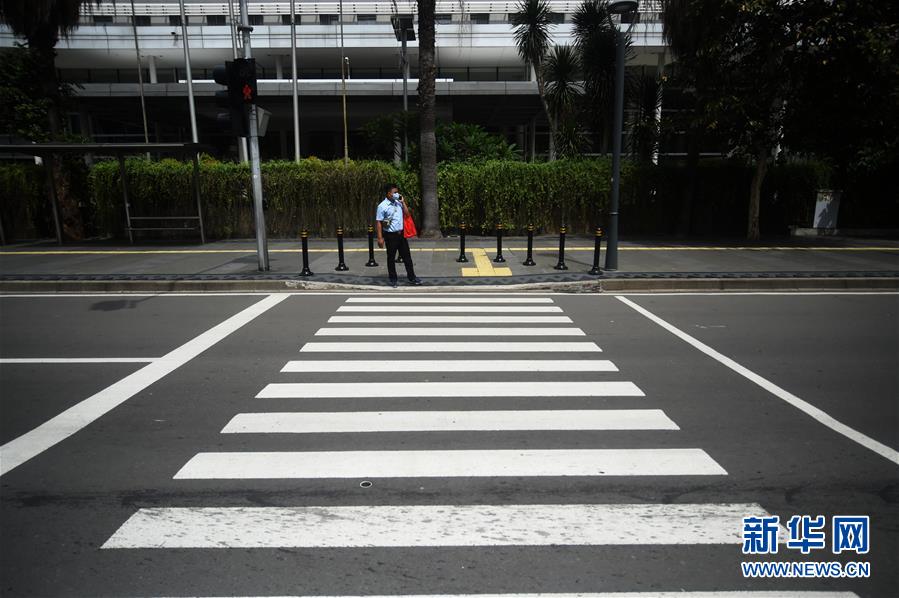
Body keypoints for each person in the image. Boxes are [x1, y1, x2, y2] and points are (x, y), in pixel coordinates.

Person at [376, 183, 422, 287]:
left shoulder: (398, 203)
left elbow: (407, 214)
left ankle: (412, 277)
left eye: (397, 192)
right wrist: (380, 238)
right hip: (390, 235)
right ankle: (393, 279)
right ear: (389, 194)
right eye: (395, 192)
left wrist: (403, 202)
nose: (397, 194)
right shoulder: (382, 206)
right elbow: (378, 222)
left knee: (407, 257)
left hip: (401, 234)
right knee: (391, 258)